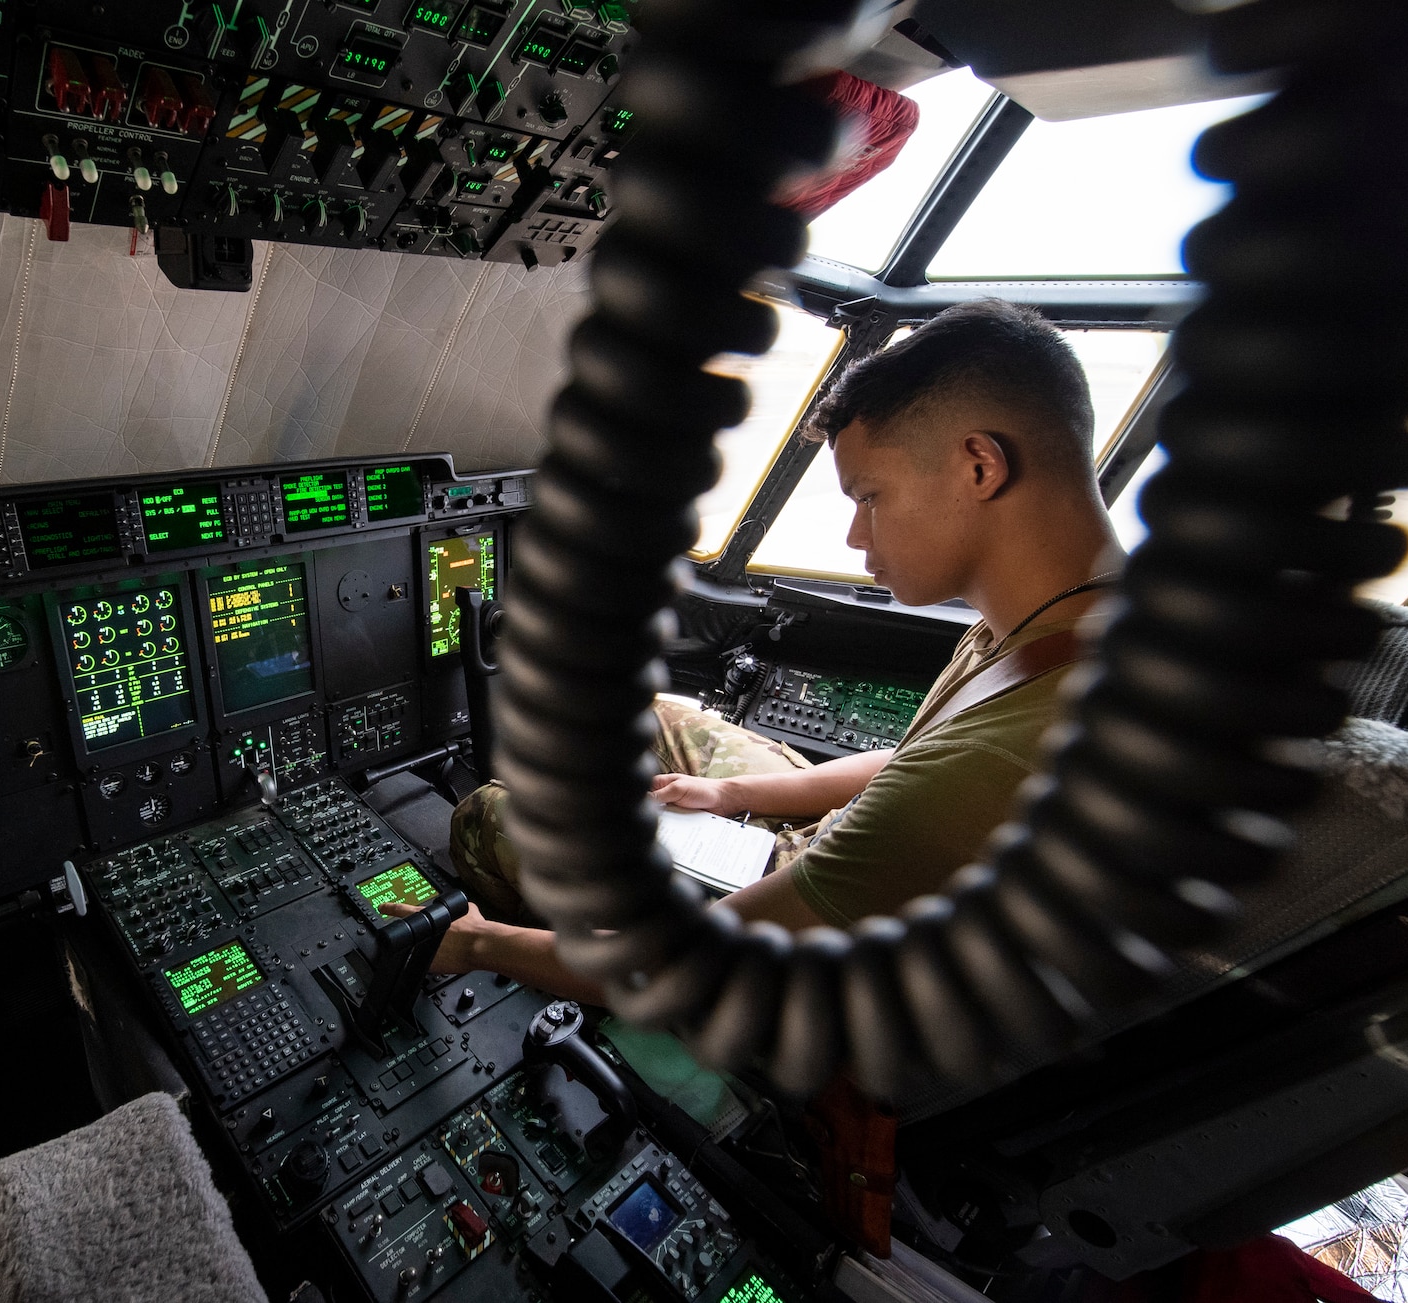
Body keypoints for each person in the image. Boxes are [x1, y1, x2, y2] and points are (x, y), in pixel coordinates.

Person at [388, 299, 1126, 1005]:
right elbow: (907, 765)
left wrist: (481, 943)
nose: (855, 538)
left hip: (801, 943)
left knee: (487, 814)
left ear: (979, 467)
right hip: (851, 843)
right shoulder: (1048, 620)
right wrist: (730, 796)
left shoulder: (1010, 754)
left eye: (868, 497)